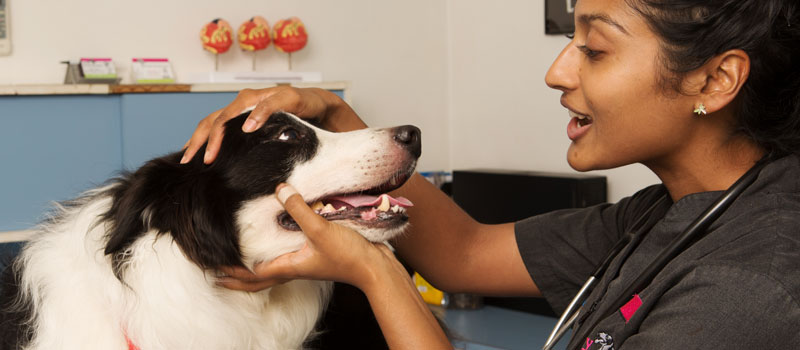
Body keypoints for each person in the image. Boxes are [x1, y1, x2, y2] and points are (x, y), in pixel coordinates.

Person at [181, 0, 800, 348]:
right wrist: (341, 117)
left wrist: (372, 269)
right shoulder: (665, 214)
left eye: (595, 49)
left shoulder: (754, 286)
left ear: (715, 80)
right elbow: (466, 254)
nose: (558, 72)